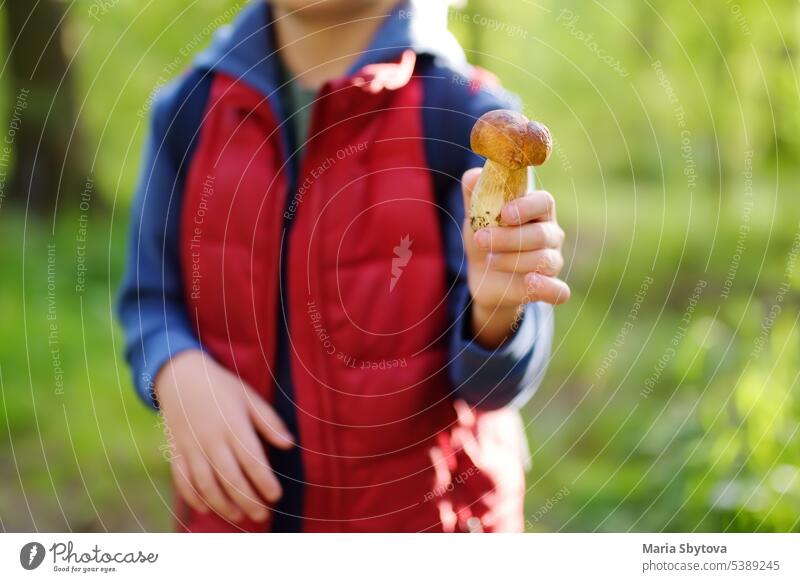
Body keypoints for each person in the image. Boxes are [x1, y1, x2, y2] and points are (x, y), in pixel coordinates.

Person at [117, 0, 569, 533]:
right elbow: (149, 298)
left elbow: (497, 389)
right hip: (234, 521)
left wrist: (495, 310)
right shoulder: (188, 112)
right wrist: (175, 367)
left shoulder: (464, 114)